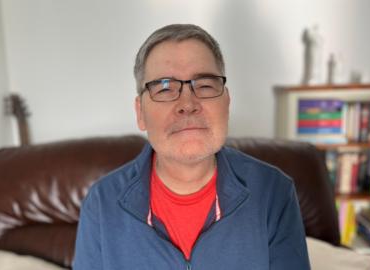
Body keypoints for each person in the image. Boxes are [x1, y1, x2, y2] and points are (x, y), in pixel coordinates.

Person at [73, 24, 310, 270]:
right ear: (140, 112)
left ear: (226, 104)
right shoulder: (102, 202)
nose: (188, 104)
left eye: (205, 85)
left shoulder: (274, 192)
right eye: (165, 89)